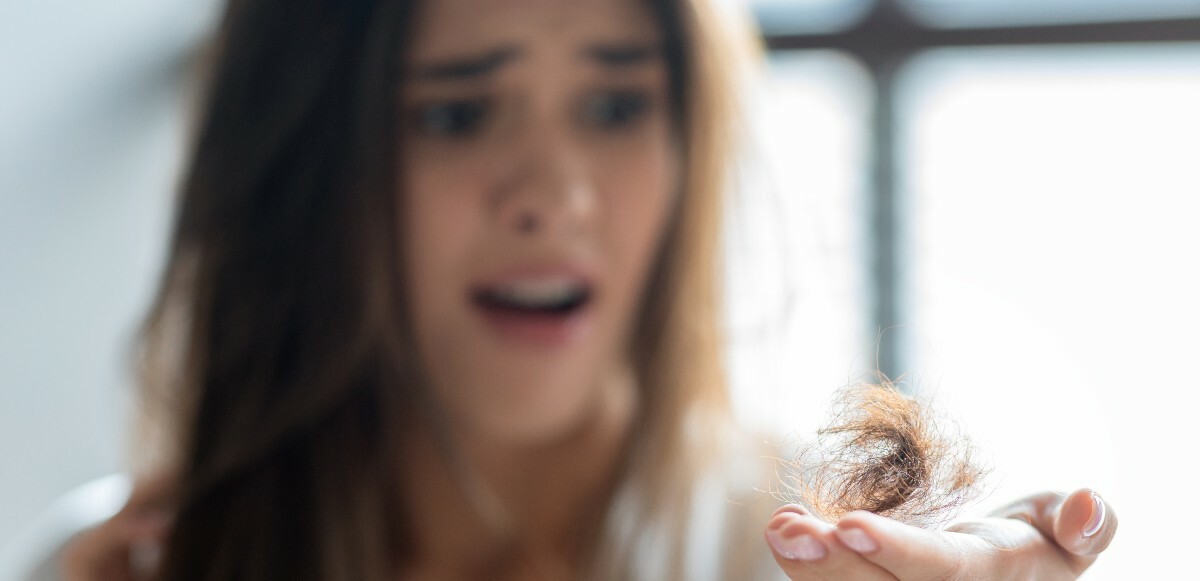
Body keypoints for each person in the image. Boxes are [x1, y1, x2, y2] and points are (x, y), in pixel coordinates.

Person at [61, 0, 1117, 579]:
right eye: (454, 115)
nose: (555, 195)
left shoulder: (804, 561)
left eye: (616, 106)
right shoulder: (117, 565)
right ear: (306, 172)